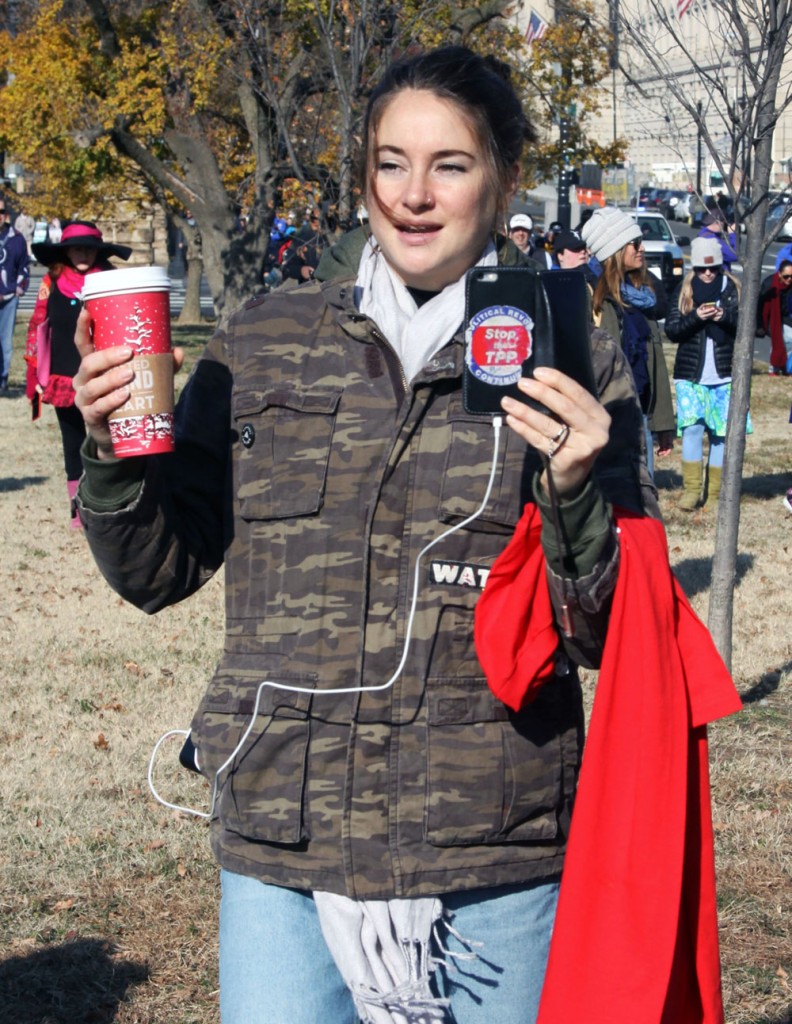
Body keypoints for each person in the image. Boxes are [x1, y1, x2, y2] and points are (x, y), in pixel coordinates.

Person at [72, 47, 668, 1024]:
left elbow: (604, 632)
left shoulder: (569, 352)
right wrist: (110, 451)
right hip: (282, 839)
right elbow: (156, 566)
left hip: (487, 845)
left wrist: (569, 485)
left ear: (505, 177)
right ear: (362, 176)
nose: (416, 195)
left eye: (452, 164)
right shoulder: (264, 335)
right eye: (392, 162)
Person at [24, 220, 131, 526]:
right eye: (76, 247)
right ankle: (77, 510)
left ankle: (111, 501)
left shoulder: (111, 279)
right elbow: (38, 325)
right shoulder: (51, 281)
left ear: (98, 251)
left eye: (89, 247)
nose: (82, 253)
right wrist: (35, 375)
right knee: (72, 445)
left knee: (107, 442)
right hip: (64, 376)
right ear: (66, 251)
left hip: (104, 376)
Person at [582, 205, 676, 476]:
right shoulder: (586, 293)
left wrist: (663, 423)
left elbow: (654, 363)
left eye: (640, 242)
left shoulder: (642, 293)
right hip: (603, 415)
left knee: (642, 497)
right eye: (634, 243)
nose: (641, 249)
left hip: (640, 414)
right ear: (613, 250)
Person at [664, 237, 742, 511]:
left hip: (724, 375)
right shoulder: (684, 289)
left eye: (713, 268)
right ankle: (692, 491)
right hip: (690, 374)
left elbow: (749, 325)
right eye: (701, 269)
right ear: (694, 268)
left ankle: (715, 494)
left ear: (721, 267)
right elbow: (672, 330)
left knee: (720, 434)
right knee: (692, 430)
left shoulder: (732, 289)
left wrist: (725, 317)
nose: (707, 273)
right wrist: (696, 316)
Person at [0, 199, 30, 390]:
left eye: (1, 211)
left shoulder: (16, 238)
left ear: (6, 215)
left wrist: (18, 290)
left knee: (5, 341)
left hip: (8, 298)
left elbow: (23, 267)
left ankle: (2, 378)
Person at [757, 258, 792, 376]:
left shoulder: (789, 285)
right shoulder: (770, 284)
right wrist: (760, 325)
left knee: (789, 339)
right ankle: (774, 368)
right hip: (770, 317)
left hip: (785, 315)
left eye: (791, 276)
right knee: (778, 339)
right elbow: (760, 304)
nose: (789, 279)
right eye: (786, 276)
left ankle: (782, 364)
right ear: (779, 273)